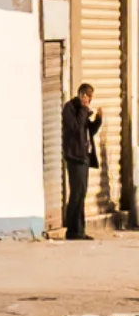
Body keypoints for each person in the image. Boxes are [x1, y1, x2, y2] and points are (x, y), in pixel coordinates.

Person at [62, 82, 103, 240]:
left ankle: (79, 229)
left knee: (81, 193)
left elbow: (88, 130)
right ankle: (73, 230)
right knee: (76, 193)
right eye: (87, 97)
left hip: (84, 157)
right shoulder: (70, 108)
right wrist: (84, 110)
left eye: (90, 98)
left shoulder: (82, 110)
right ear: (81, 95)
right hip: (75, 157)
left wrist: (98, 120)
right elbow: (76, 129)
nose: (89, 100)